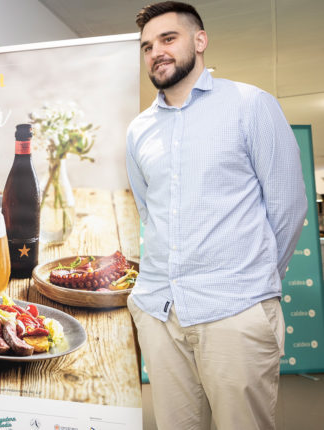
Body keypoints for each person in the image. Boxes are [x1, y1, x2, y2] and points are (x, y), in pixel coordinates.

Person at [126, 2, 308, 429]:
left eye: (168, 39)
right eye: (147, 46)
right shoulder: (139, 130)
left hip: (234, 310)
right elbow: (149, 212)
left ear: (200, 41)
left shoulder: (250, 104)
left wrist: (255, 283)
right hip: (160, 311)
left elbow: (288, 206)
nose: (156, 52)